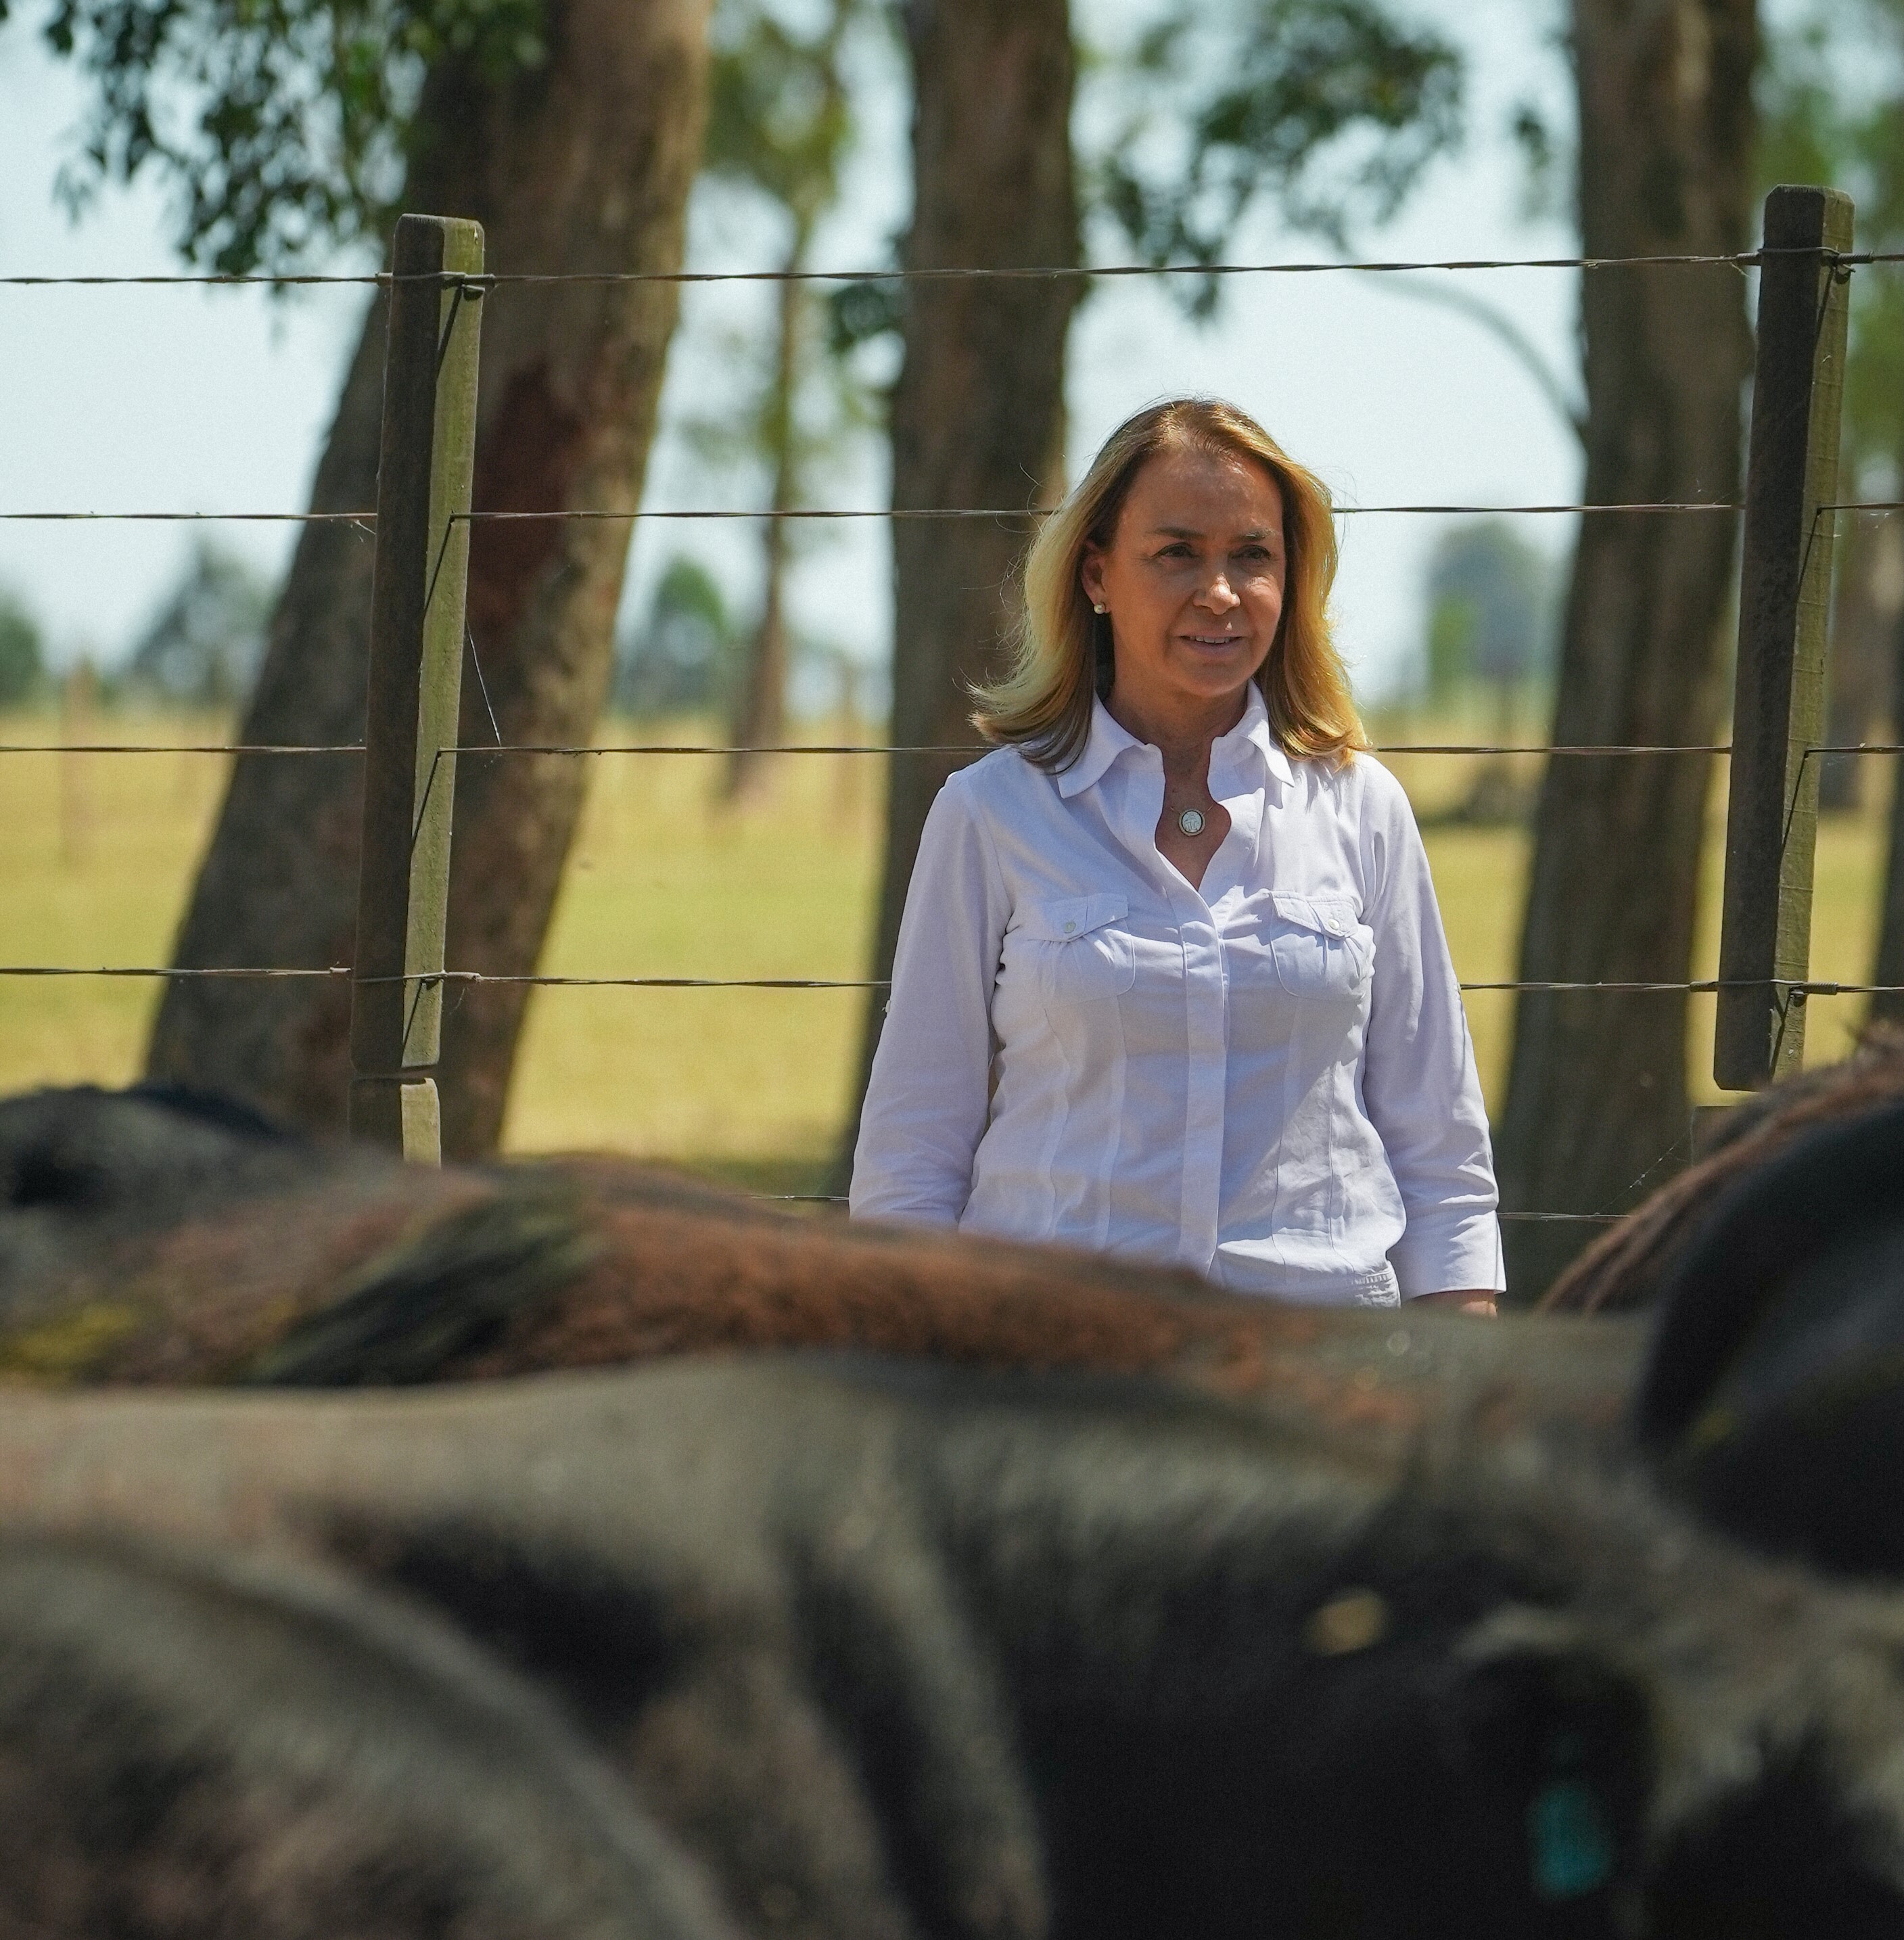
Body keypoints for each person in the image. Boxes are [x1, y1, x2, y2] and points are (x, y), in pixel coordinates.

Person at [851, 398, 1503, 1314]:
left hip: (1318, 1377)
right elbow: (913, 1152)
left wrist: (1454, 1396)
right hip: (1057, 1368)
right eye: (1177, 553)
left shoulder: (1363, 810)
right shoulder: (992, 814)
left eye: (1253, 555)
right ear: (1096, 575)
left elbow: (1441, 1152)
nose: (1222, 592)